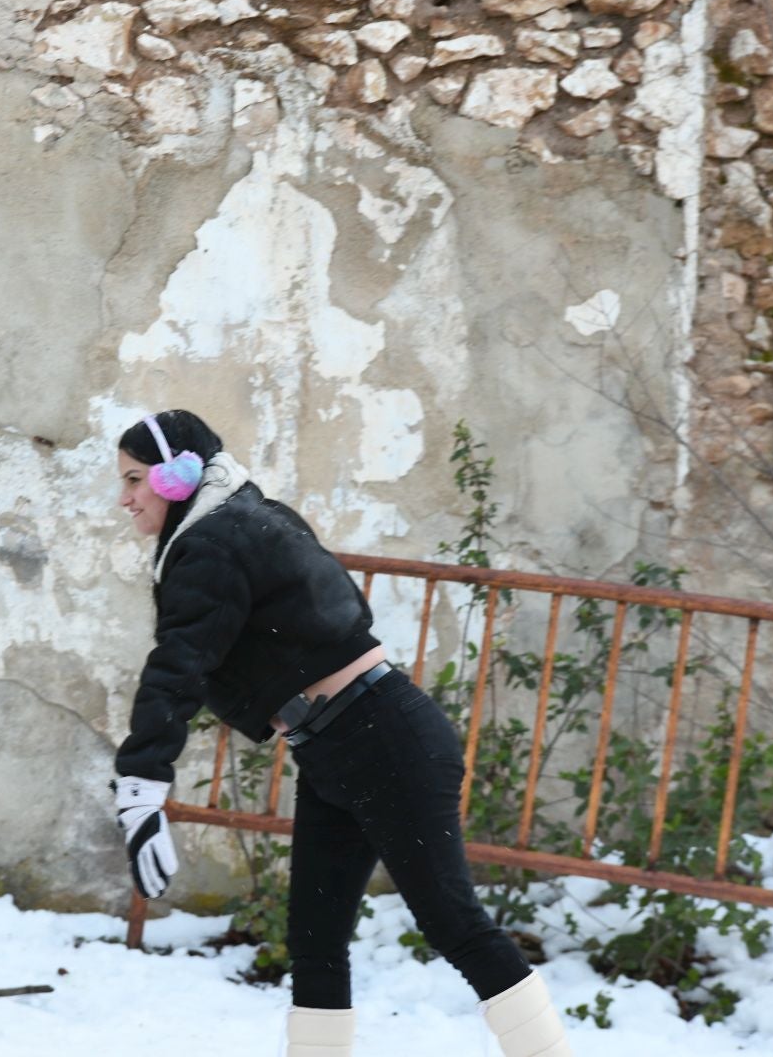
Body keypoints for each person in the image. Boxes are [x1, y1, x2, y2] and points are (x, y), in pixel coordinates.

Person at [110, 410, 572, 1057]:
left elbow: (178, 666)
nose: (125, 499)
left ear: (177, 476)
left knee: (454, 926)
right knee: (315, 940)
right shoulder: (244, 522)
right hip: (337, 748)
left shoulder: (214, 543)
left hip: (382, 740)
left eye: (135, 480)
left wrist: (141, 780)